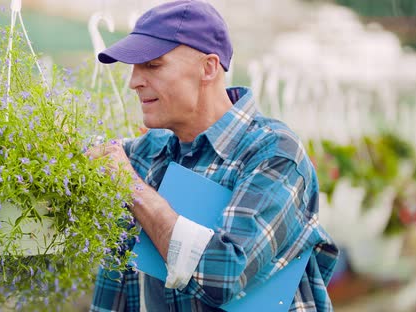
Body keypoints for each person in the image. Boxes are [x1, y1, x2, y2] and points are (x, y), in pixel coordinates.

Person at [87, 1, 339, 311]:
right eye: (134, 68)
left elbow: (224, 273)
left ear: (208, 68)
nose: (133, 81)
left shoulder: (274, 154)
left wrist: (132, 188)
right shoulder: (148, 153)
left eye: (152, 65)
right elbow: (117, 280)